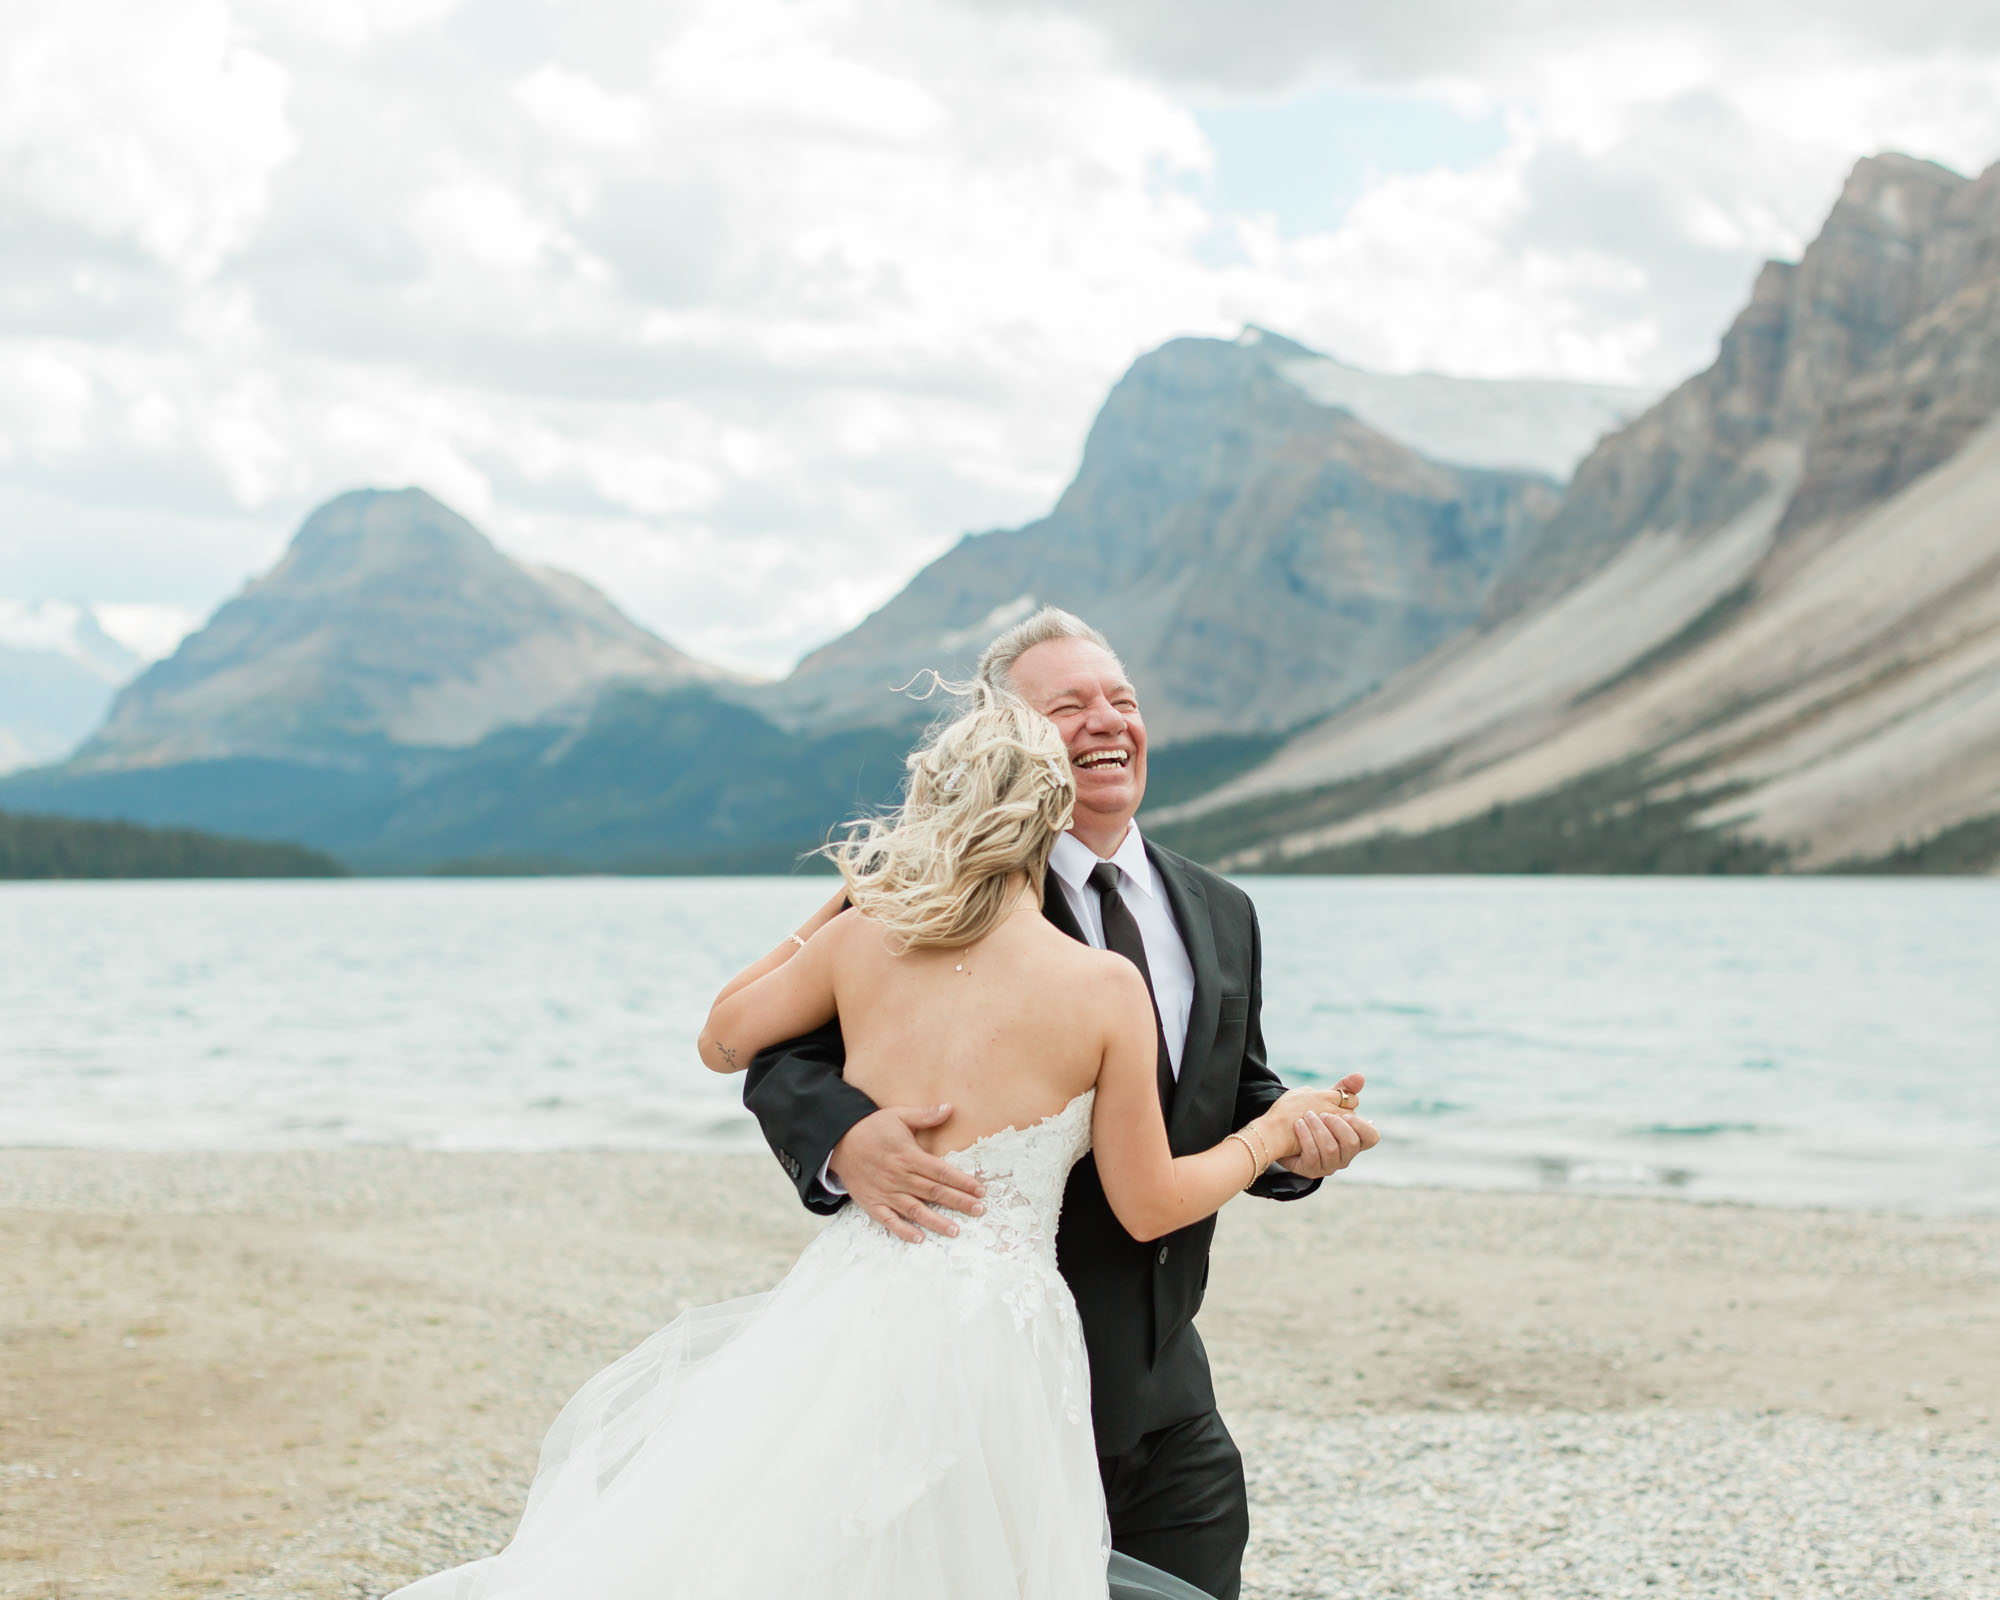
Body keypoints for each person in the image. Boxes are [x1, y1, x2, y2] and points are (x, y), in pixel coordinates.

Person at [383, 680, 1364, 1600]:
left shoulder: (863, 942)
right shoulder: (1102, 987)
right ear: (1052, 812)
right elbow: (1147, 1199)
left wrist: (836, 905)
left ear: (928, 815)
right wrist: (1269, 1130)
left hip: (850, 1302)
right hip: (997, 1328)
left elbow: (723, 1035)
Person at [744, 607, 1379, 1600]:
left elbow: (1226, 1088)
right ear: (1009, 741)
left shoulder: (1220, 907)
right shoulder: (922, 897)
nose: (1104, 721)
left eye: (1120, 700)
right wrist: (845, 1136)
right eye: (1067, 705)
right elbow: (775, 1053)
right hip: (977, 1375)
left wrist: (1294, 1135)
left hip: (1165, 1394)